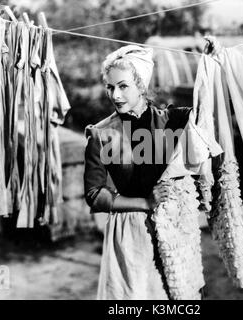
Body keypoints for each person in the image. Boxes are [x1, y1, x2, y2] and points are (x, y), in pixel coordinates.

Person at [84, 45, 193, 300]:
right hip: (130, 232)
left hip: (174, 228)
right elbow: (93, 194)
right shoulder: (101, 133)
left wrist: (215, 60)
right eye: (110, 87)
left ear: (141, 84)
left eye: (123, 86)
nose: (115, 95)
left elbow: (211, 106)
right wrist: (145, 202)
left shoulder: (173, 121)